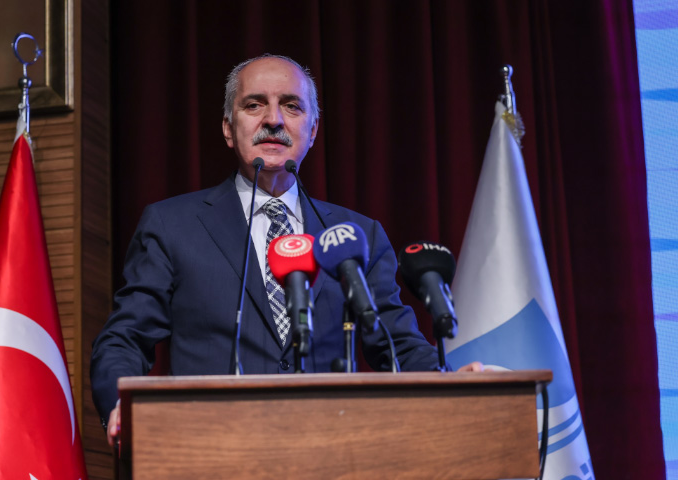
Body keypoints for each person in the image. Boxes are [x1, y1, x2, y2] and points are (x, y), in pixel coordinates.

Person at [90, 54, 482, 448]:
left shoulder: (357, 235)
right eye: (254, 104)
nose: (274, 120)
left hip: (331, 451)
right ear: (228, 128)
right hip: (211, 449)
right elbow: (125, 337)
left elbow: (395, 342)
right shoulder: (172, 225)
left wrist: (452, 381)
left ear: (313, 129)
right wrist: (121, 403)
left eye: (292, 106)